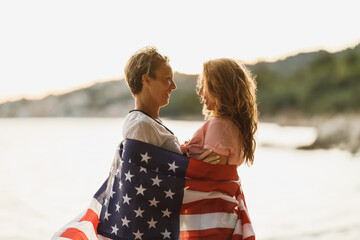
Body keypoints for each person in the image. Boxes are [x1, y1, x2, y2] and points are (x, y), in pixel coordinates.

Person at [183, 58, 258, 167]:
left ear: (219, 88)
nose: (200, 92)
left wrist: (193, 165)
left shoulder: (219, 124)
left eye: (204, 84)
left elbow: (214, 176)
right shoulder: (234, 124)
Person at [122, 46, 181, 153]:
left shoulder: (146, 122)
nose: (174, 86)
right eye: (167, 79)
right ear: (147, 79)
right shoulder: (140, 125)